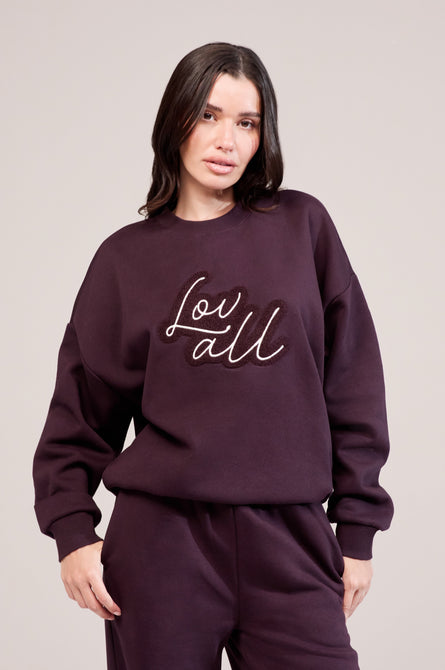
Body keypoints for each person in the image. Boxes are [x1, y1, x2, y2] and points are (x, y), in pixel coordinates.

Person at [32, 42, 394, 669]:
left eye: (246, 122)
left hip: (291, 539)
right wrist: (71, 532)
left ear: (262, 136)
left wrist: (357, 530)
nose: (227, 139)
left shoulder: (303, 227)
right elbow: (79, 413)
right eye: (208, 114)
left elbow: (353, 383)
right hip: (161, 546)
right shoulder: (124, 260)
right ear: (175, 118)